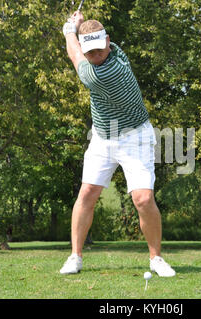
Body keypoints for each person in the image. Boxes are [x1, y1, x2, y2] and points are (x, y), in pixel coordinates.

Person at [59, 11, 175, 277]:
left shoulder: (102, 74)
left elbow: (73, 54)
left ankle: (156, 259)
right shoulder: (117, 51)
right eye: (91, 52)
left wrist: (69, 28)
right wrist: (81, 26)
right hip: (103, 135)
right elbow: (82, 49)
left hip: (135, 136)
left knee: (143, 199)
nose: (95, 57)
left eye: (99, 50)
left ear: (108, 42)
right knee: (87, 193)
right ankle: (75, 256)